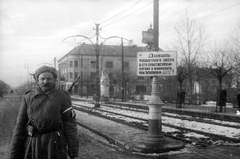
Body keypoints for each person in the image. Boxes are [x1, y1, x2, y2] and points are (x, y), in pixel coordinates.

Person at [9, 65, 79, 159]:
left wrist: (73, 151)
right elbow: (19, 127)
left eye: (49, 78)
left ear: (54, 80)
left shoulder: (63, 97)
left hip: (55, 144)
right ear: (37, 80)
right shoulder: (28, 98)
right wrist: (13, 153)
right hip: (33, 144)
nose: (45, 82)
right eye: (42, 79)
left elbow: (70, 126)